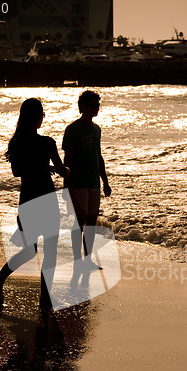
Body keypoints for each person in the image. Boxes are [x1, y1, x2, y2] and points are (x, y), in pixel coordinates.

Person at [0, 98, 69, 308]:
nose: (43, 118)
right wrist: (60, 170)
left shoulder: (16, 143)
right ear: (37, 117)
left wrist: (39, 168)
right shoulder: (47, 143)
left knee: (29, 250)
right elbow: (63, 171)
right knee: (50, 252)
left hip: (28, 200)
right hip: (47, 199)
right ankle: (45, 301)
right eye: (42, 115)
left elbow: (18, 172)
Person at [62, 90, 111, 273]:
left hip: (93, 182)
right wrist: (67, 186)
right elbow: (69, 159)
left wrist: (105, 181)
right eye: (92, 105)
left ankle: (88, 258)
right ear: (82, 107)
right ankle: (77, 260)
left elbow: (98, 156)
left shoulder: (97, 129)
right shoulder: (73, 129)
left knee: (92, 220)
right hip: (78, 182)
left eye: (97, 105)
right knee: (79, 221)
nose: (95, 108)